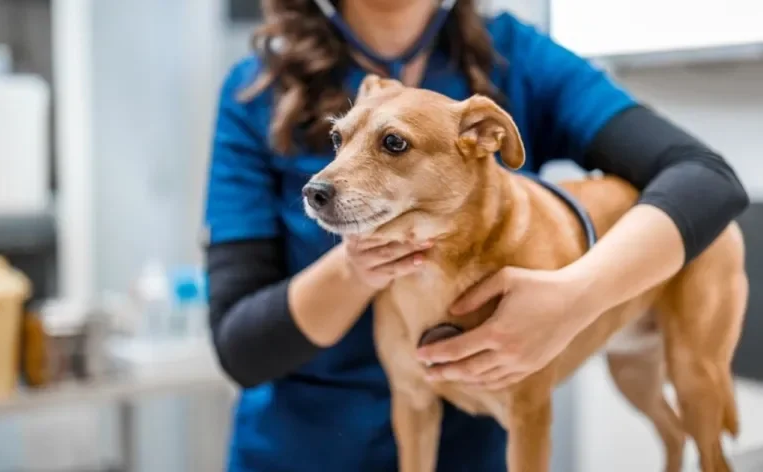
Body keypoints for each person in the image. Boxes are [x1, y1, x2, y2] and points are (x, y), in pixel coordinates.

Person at [203, 1, 749, 470]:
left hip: (479, 453)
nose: (328, 178)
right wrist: (356, 267)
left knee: (687, 398)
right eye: (338, 141)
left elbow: (708, 180)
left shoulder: (516, 56)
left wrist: (577, 297)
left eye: (391, 145)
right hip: (298, 451)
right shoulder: (256, 89)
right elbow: (239, 349)